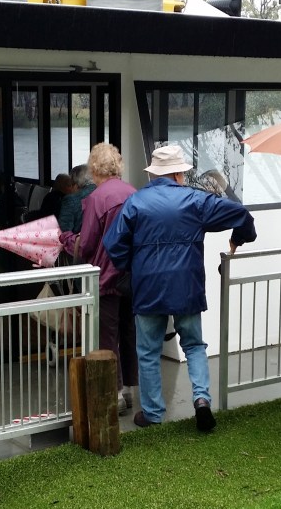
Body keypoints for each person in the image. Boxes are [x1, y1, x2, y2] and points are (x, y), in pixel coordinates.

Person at [103, 144, 257, 431]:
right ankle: (201, 399)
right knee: (194, 345)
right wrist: (240, 238)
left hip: (148, 287)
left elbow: (113, 244)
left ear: (155, 174)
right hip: (187, 285)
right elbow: (241, 214)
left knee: (148, 351)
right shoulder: (196, 200)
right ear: (177, 174)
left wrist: (132, 266)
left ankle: (152, 414)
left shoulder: (136, 203)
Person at [61, 144, 138, 414]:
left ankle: (114, 393)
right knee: (128, 333)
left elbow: (87, 244)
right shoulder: (133, 192)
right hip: (130, 277)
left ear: (94, 169)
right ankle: (129, 389)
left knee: (107, 336)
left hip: (105, 278)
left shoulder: (97, 198)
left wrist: (67, 239)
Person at [59, 164, 97, 233]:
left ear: (75, 184)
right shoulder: (103, 193)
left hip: (79, 239)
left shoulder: (71, 199)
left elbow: (64, 231)